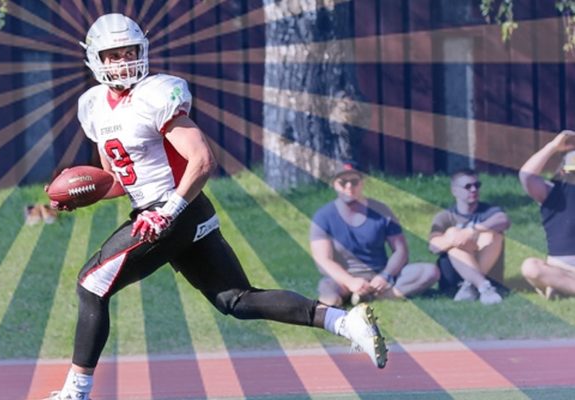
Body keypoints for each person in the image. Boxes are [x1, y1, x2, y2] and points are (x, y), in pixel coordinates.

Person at [44, 14, 387, 400]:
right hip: (172, 213)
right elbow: (119, 180)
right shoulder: (93, 106)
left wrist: (167, 212)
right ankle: (344, 322)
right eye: (114, 54)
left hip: (172, 209)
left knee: (91, 284)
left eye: (129, 52)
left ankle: (75, 392)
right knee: (236, 299)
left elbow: (202, 160)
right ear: (96, 60)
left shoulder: (155, 95)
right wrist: (79, 196)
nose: (124, 61)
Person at [310, 162, 439, 306]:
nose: (349, 186)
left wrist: (386, 275)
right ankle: (360, 296)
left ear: (362, 183)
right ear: (334, 184)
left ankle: (377, 296)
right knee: (330, 299)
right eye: (343, 182)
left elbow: (401, 251)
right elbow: (323, 260)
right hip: (343, 279)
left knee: (430, 272)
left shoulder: (381, 210)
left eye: (354, 182)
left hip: (379, 276)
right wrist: (351, 282)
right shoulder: (323, 216)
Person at [427, 169, 510, 305]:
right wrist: (454, 238)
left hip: (489, 270)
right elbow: (433, 246)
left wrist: (473, 231)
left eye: (477, 185)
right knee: (454, 239)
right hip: (453, 278)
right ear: (454, 191)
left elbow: (503, 220)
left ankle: (471, 284)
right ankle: (483, 286)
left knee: (493, 235)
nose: (473, 189)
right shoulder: (444, 217)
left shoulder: (488, 211)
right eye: (468, 186)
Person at [518, 130, 575, 299]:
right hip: (559, 268)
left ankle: (561, 287)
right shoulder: (552, 192)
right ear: (563, 171)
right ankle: (560, 284)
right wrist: (553, 146)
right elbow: (526, 176)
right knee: (530, 267)